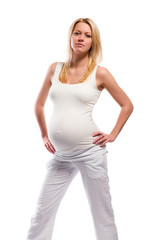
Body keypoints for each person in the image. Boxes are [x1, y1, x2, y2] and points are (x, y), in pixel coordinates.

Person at [26, 17, 134, 240]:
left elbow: (127, 105)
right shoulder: (54, 69)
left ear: (93, 42)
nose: (81, 38)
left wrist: (113, 134)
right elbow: (38, 104)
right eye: (77, 33)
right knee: (41, 212)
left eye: (87, 35)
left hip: (90, 152)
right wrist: (44, 134)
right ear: (71, 36)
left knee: (101, 213)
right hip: (60, 155)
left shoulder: (100, 73)